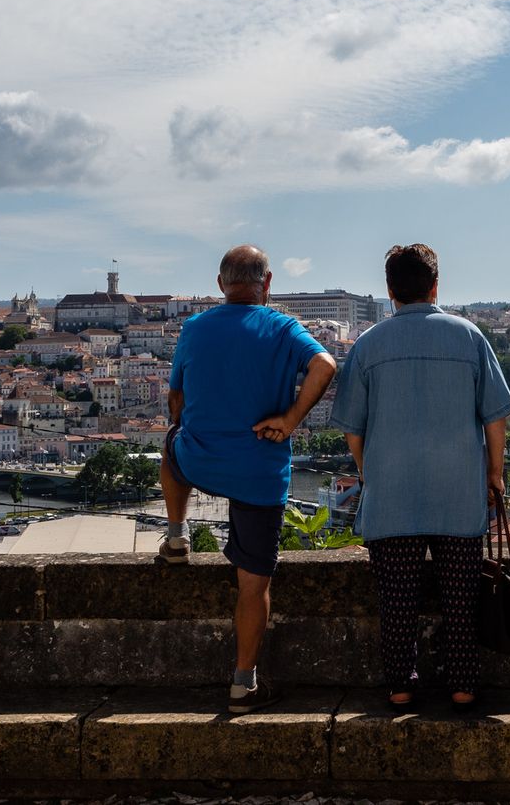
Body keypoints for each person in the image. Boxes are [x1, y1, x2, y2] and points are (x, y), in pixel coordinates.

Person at [329, 243, 510, 712]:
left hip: (391, 492)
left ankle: (400, 685)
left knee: (397, 601)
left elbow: (352, 428)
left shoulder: (369, 344)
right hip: (458, 490)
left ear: (390, 290)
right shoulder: (470, 337)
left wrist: (370, 471)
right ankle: (462, 684)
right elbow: (495, 418)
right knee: (461, 597)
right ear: (436, 285)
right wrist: (494, 474)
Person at [158, 244, 337, 714]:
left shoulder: (195, 327)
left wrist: (192, 425)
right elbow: (325, 365)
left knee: (169, 446)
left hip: (200, 461)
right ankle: (243, 684)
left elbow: (176, 399)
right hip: (260, 468)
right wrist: (292, 418)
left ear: (221, 284)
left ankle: (176, 536)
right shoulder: (283, 328)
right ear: (268, 283)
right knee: (253, 587)